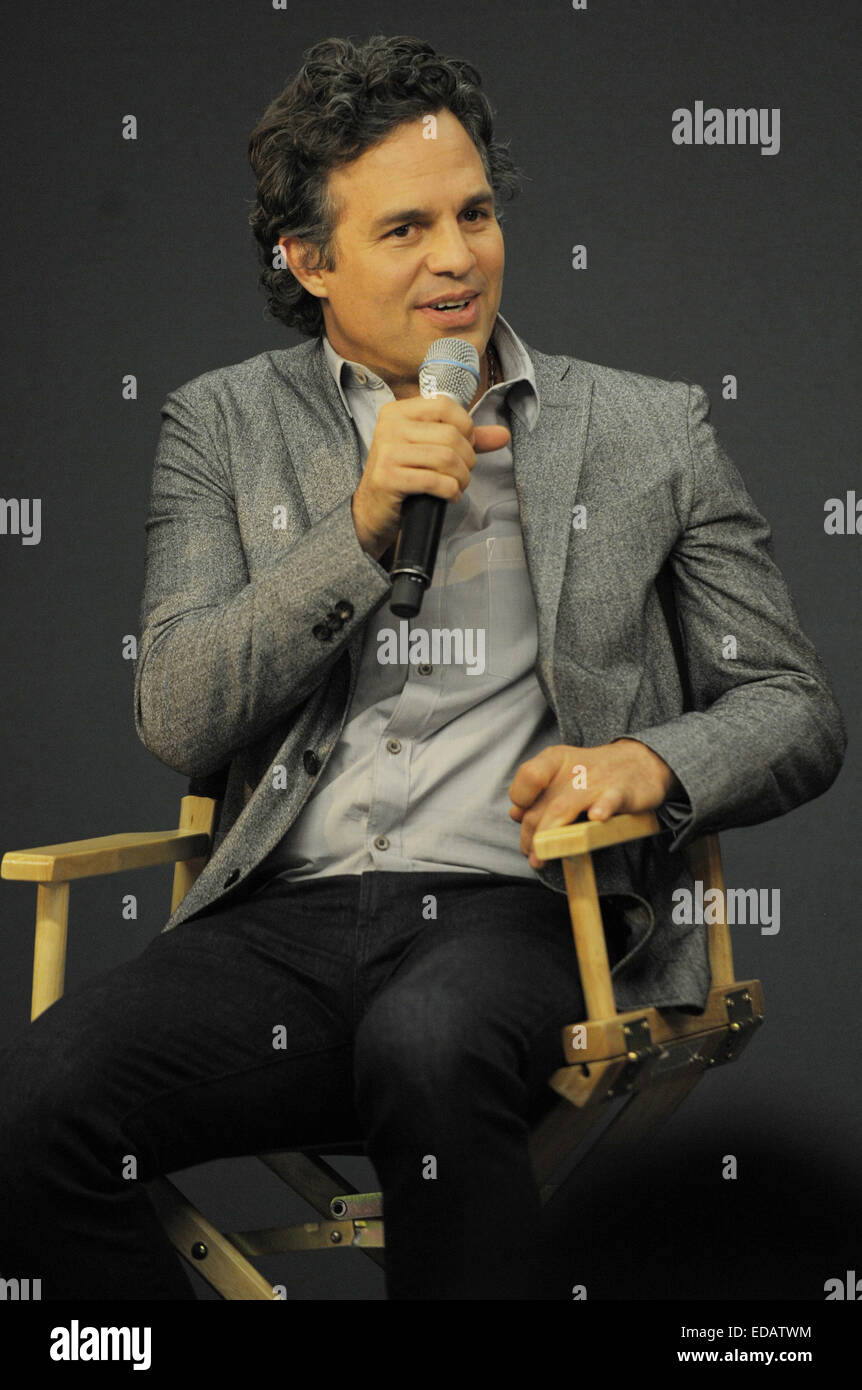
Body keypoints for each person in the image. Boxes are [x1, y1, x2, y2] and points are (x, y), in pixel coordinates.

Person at [0, 34, 845, 1302]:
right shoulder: (219, 426)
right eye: (405, 229)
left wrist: (645, 762)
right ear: (309, 260)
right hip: (277, 924)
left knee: (428, 1040)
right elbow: (177, 708)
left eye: (476, 212)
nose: (457, 257)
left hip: (521, 909)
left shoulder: (648, 431)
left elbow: (795, 706)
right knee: (39, 1105)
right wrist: (357, 528)